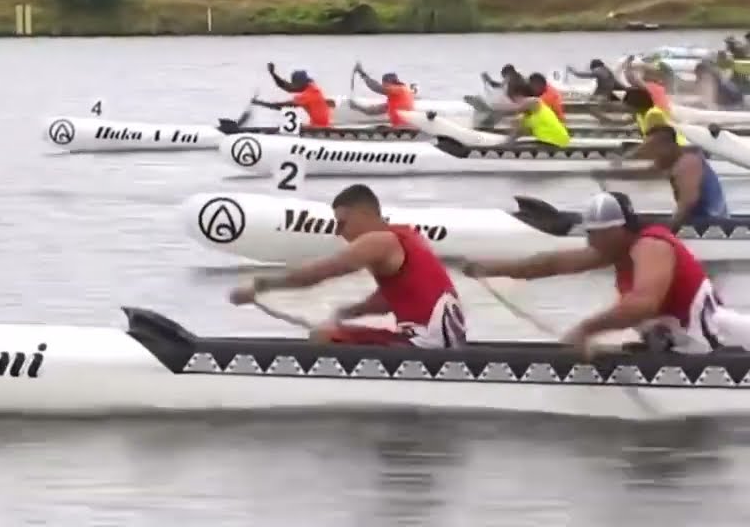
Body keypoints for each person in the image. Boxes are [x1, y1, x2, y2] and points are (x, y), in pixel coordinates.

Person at [462, 192, 745, 355]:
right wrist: (491, 268)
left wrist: (586, 330)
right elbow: (551, 264)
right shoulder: (616, 248)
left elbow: (642, 304)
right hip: (685, 343)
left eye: (599, 234)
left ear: (621, 230)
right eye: (589, 234)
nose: (591, 242)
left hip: (719, 344)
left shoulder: (652, 246)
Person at [228, 183, 467, 347]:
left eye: (342, 223)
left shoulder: (379, 241)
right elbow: (388, 300)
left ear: (363, 214)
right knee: (334, 331)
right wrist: (349, 312)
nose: (339, 232)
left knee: (322, 337)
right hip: (443, 341)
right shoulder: (407, 237)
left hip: (425, 345)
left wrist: (260, 285)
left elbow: (319, 273)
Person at [639, 125, 729, 228]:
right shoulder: (675, 159)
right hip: (703, 219)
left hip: (709, 223)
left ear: (668, 145)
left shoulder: (687, 163)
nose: (652, 153)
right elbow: (652, 169)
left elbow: (689, 201)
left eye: (654, 147)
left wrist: (670, 227)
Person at [492, 81, 571, 147]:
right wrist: (505, 143)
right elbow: (518, 133)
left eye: (512, 99)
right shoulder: (526, 116)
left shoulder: (534, 102)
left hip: (555, 142)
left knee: (520, 143)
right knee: (518, 143)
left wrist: (494, 108)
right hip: (551, 141)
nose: (513, 102)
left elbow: (515, 108)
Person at [254, 63, 334, 127]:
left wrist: (259, 103)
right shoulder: (311, 87)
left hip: (319, 129)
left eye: (295, 84)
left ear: (300, 83)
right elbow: (287, 87)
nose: (293, 86)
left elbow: (281, 107)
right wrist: (273, 74)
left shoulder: (308, 95)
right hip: (317, 125)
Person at [349, 63, 416, 128]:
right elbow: (373, 111)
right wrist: (357, 107)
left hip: (404, 128)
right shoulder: (397, 97)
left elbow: (376, 87)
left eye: (384, 84)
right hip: (402, 127)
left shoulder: (400, 90)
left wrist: (362, 73)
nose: (384, 86)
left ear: (390, 82)